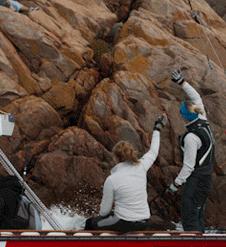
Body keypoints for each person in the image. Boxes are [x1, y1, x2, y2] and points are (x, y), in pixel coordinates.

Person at [84, 115, 167, 232]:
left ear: (116, 158)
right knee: (113, 217)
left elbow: (104, 212)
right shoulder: (141, 166)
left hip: (125, 222)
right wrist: (157, 128)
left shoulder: (112, 179)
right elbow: (153, 151)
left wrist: (104, 209)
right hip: (144, 221)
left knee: (90, 223)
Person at [165, 70, 215, 232]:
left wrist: (175, 184)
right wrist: (182, 82)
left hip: (196, 181)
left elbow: (188, 166)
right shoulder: (203, 119)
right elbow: (196, 98)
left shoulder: (191, 138)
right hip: (206, 180)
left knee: (190, 216)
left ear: (184, 117)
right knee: (198, 214)